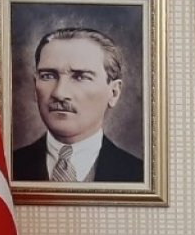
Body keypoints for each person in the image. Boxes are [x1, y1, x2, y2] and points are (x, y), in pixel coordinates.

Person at [11, 27, 143, 183]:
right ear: (35, 86)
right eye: (48, 76)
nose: (59, 93)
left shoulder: (139, 175)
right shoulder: (6, 169)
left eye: (80, 77)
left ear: (113, 92)